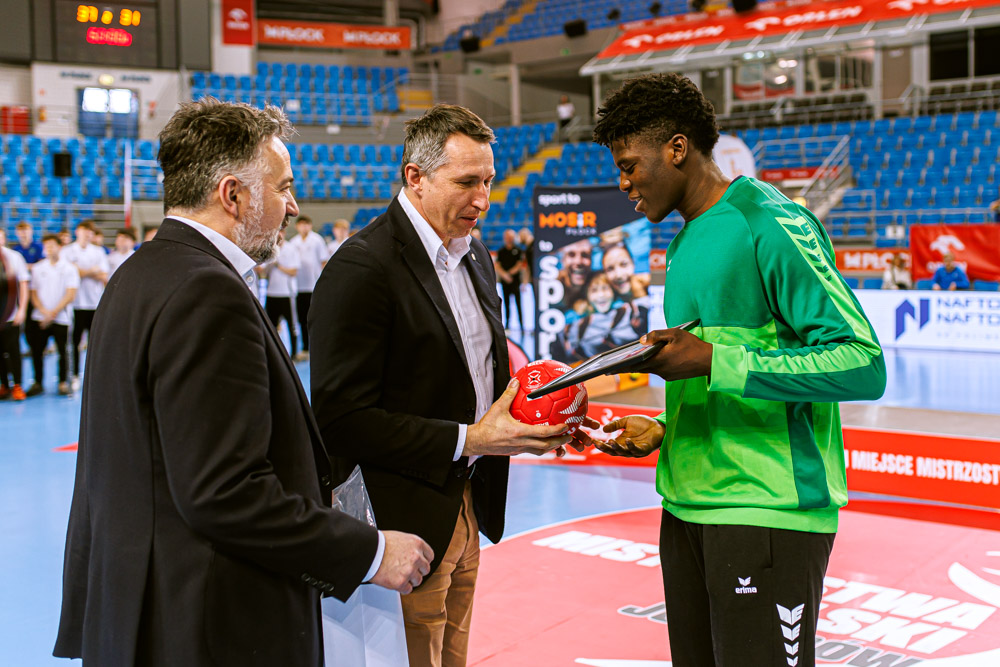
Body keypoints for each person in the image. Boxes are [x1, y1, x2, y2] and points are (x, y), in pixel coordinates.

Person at [54, 98, 432, 666]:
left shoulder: (138, 273)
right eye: (283, 188)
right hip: (206, 624)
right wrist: (370, 553)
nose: (293, 205)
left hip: (142, 609)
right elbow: (224, 492)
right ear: (233, 195)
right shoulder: (207, 293)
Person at [590, 73, 886, 667]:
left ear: (677, 148)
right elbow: (724, 370)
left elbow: (862, 362)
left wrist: (713, 359)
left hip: (767, 512)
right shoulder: (683, 241)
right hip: (685, 508)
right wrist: (667, 431)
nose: (623, 184)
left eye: (629, 166)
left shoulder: (769, 222)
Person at [309, 103, 572, 667]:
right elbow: (340, 419)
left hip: (467, 503)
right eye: (466, 182)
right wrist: (470, 439)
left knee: (452, 654)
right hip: (400, 522)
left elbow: (476, 373)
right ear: (416, 177)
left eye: (489, 181)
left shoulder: (474, 253)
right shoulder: (362, 267)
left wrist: (538, 420)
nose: (483, 199)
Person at [26, 234, 78, 397]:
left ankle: (63, 382)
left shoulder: (69, 268)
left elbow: (71, 294)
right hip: (40, 317)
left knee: (63, 351)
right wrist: (44, 312)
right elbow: (33, 293)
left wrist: (53, 313)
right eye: (46, 246)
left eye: (51, 246)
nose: (48, 249)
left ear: (59, 247)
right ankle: (38, 382)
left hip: (61, 318)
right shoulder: (38, 268)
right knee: (37, 351)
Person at [61, 220, 109, 385]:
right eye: (84, 231)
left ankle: (95, 376)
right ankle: (74, 375)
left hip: (94, 303)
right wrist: (92, 270)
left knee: (95, 342)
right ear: (77, 232)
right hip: (75, 304)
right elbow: (69, 273)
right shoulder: (67, 251)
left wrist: (80, 270)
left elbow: (104, 275)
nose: (87, 234)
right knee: (74, 342)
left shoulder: (98, 251)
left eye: (90, 232)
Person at [563, 272, 645, 360]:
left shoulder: (628, 310)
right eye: (594, 290)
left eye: (605, 288)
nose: (601, 295)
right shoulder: (575, 321)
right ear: (587, 295)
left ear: (613, 291)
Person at [288, 215, 329, 361]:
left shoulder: (317, 240)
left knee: (316, 318)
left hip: (314, 285)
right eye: (301, 224)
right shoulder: (293, 242)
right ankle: (305, 347)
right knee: (302, 319)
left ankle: (320, 347)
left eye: (306, 224)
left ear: (310, 226)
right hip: (299, 286)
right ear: (297, 226)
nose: (304, 227)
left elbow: (324, 261)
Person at [0, 227, 30, 401]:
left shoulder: (14, 257)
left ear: (4, 239)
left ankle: (17, 385)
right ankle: (4, 384)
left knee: (14, 351)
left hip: (11, 315)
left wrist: (22, 309)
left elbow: (23, 284)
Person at [260, 234, 301, 355]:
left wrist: (279, 266)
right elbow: (262, 273)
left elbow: (293, 271)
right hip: (272, 293)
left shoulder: (291, 248)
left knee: (291, 325)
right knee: (271, 326)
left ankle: (294, 353)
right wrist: (270, 265)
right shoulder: (269, 248)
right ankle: (273, 354)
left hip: (287, 293)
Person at [495, 228, 525, 330]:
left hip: (515, 281)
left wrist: (510, 274)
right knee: (506, 303)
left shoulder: (518, 250)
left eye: (510, 237)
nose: (509, 239)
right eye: (507, 237)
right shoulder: (501, 251)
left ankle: (521, 324)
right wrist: (505, 275)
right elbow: (497, 265)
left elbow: (520, 264)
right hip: (505, 281)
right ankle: (507, 324)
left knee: (518, 303)